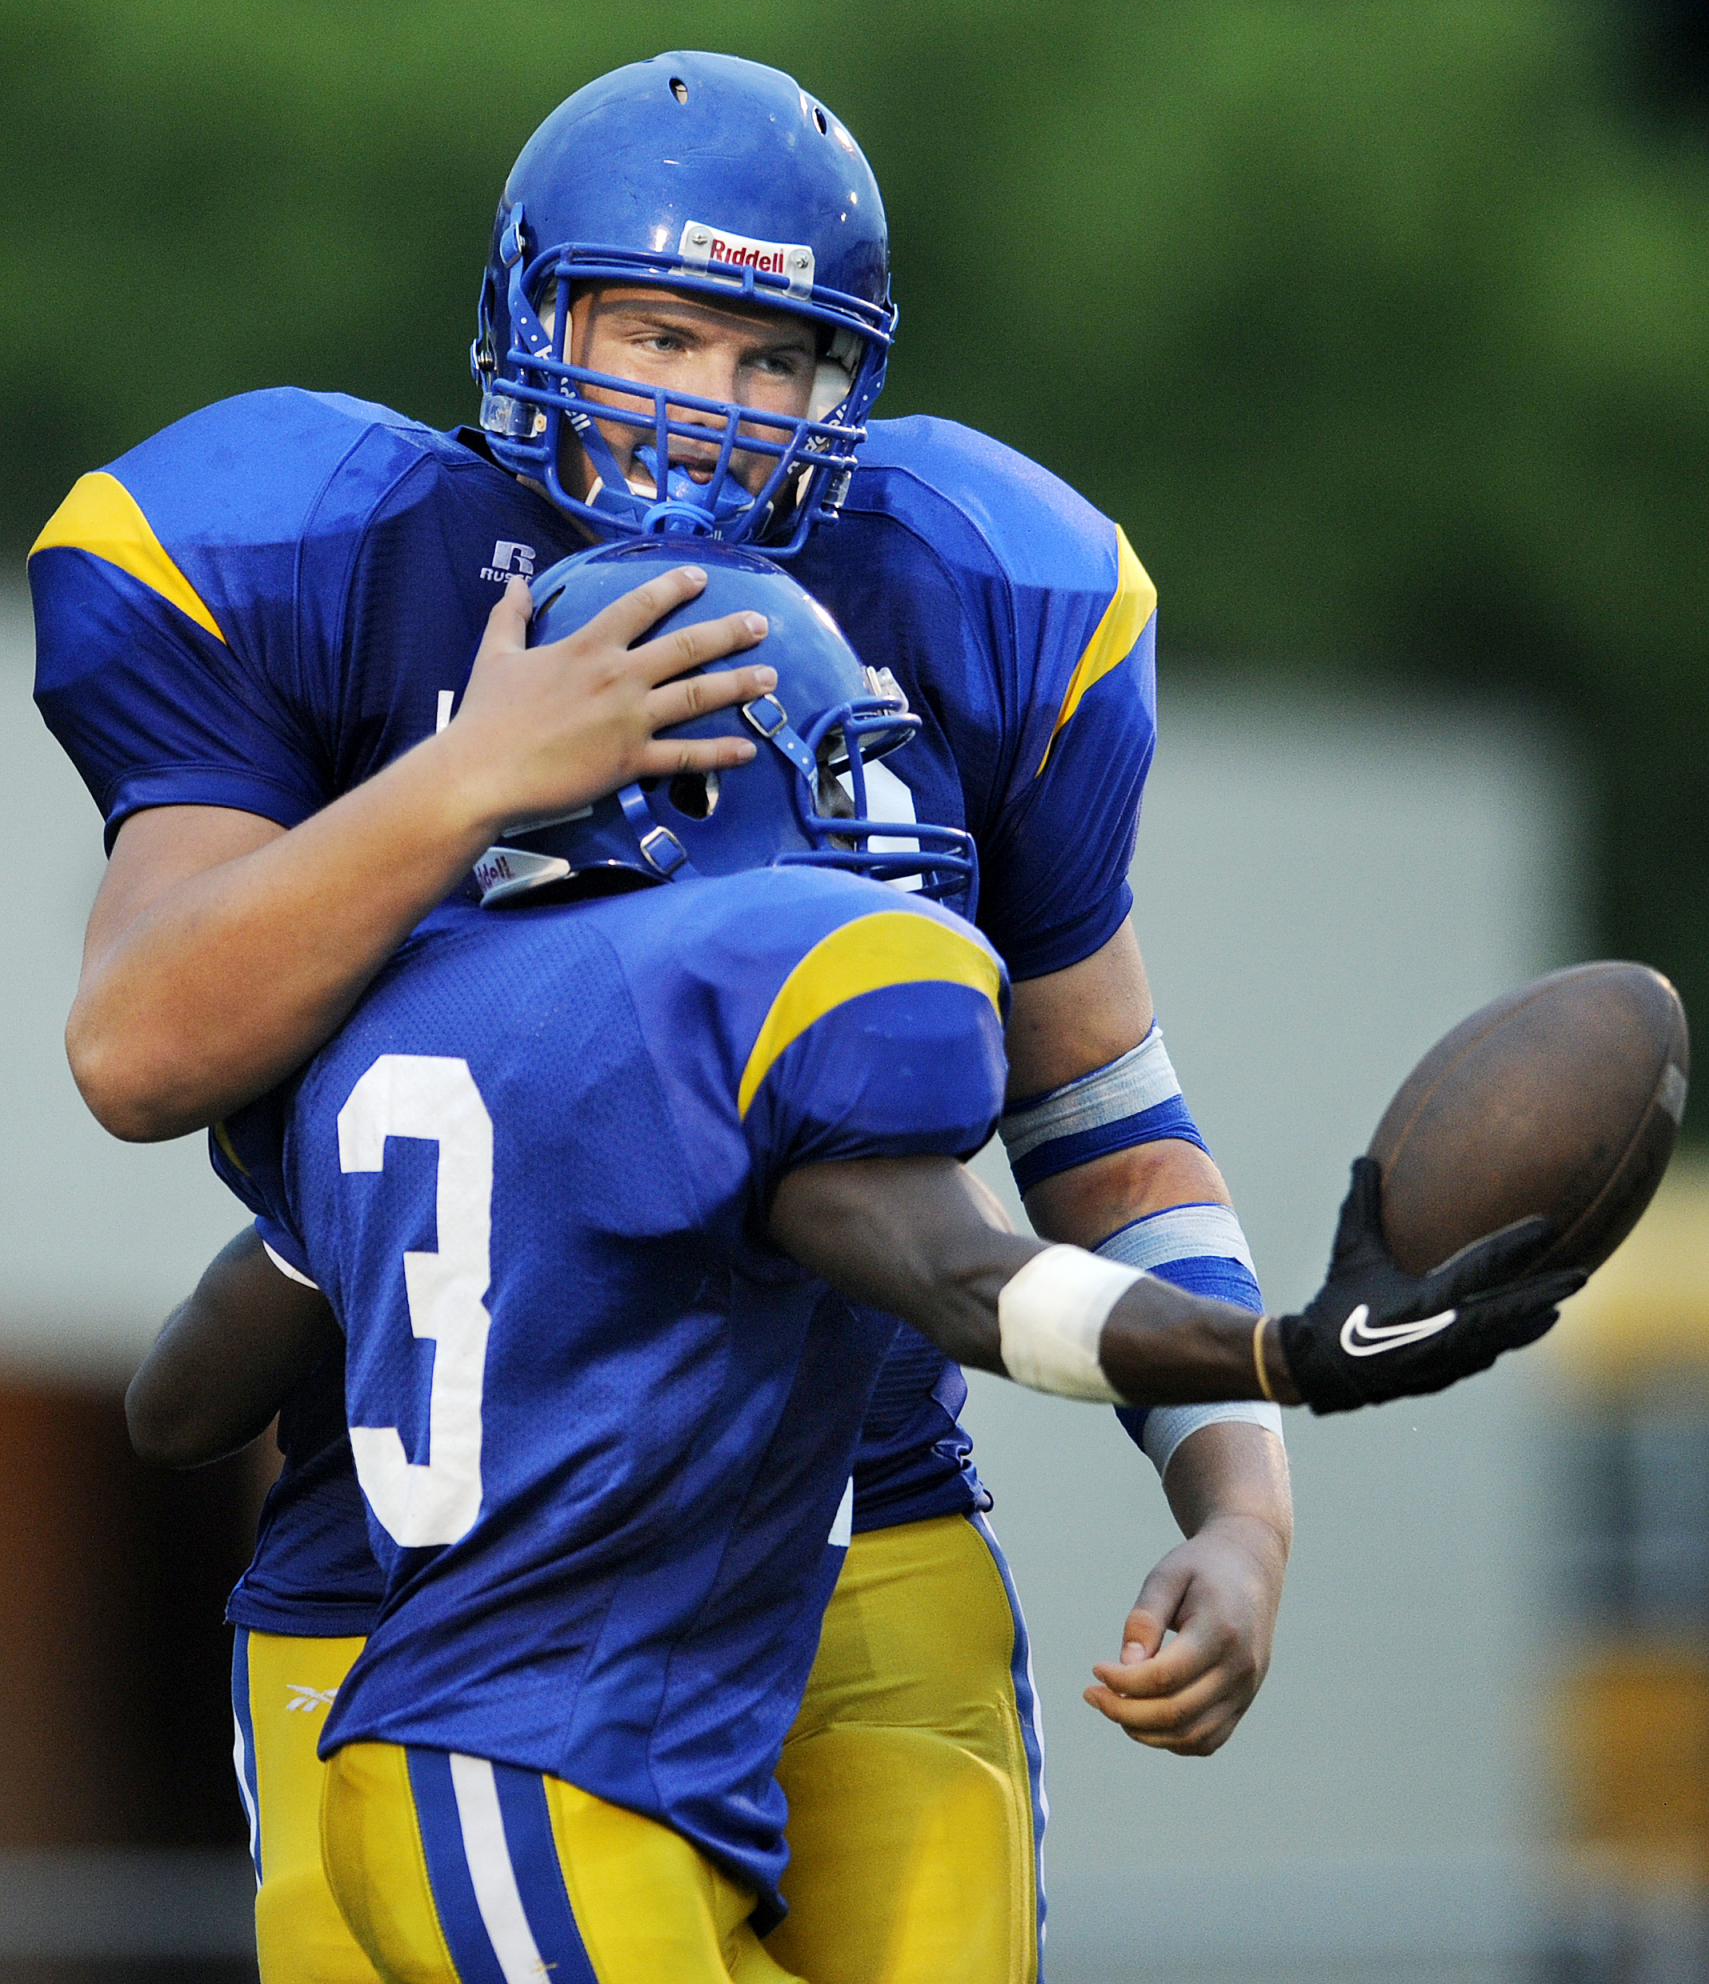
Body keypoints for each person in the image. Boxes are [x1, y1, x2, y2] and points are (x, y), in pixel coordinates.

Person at [37, 52, 1284, 1982]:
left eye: (771, 358)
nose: (710, 407)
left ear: (843, 381)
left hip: (859, 1529)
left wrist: (1244, 1502)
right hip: (435, 1578)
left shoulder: (965, 585)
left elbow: (1102, 1108)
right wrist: (467, 778)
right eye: (663, 332)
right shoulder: (327, 554)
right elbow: (137, 1049)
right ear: (538, 313)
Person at [128, 547, 1580, 1984]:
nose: (861, 815)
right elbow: (962, 1281)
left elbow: (180, 1405)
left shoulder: (399, 1012)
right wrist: (1276, 1355)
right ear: (683, 786)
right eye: (826, 769)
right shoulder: (734, 978)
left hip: (502, 1752)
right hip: (536, 1760)